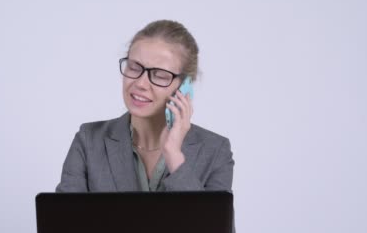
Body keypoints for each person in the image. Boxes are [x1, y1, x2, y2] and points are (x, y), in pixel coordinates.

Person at [56, 20, 234, 193]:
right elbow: (62, 221)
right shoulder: (89, 141)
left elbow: (212, 223)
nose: (141, 83)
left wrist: (174, 156)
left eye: (160, 75)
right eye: (134, 67)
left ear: (185, 86)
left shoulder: (215, 151)